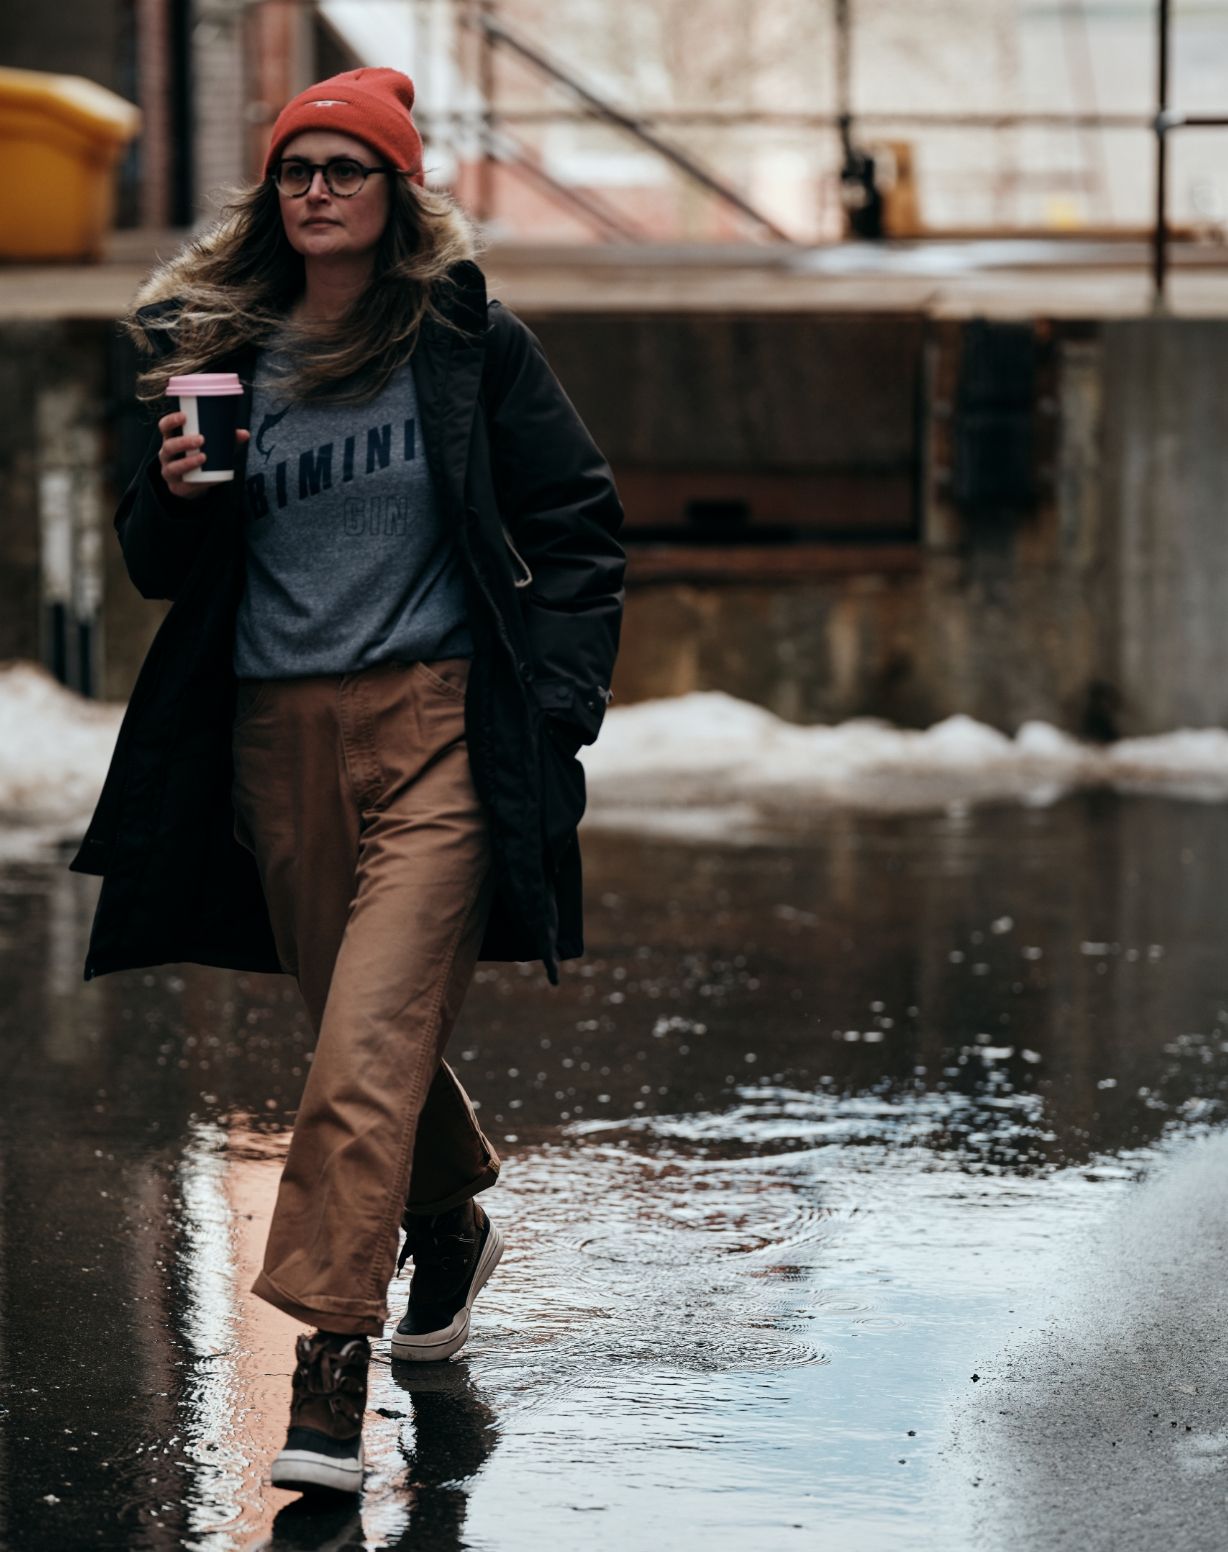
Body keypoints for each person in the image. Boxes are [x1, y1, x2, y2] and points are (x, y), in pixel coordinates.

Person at [67, 66, 626, 1495]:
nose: (318, 190)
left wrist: (554, 709)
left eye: (347, 169)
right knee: (354, 1043)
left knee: (367, 1038)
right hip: (276, 737)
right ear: (275, 192)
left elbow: (576, 520)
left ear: (395, 195)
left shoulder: (460, 341)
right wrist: (178, 492)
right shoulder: (216, 345)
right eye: (298, 169)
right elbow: (155, 564)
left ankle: (327, 1366)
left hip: (439, 722)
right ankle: (447, 1221)